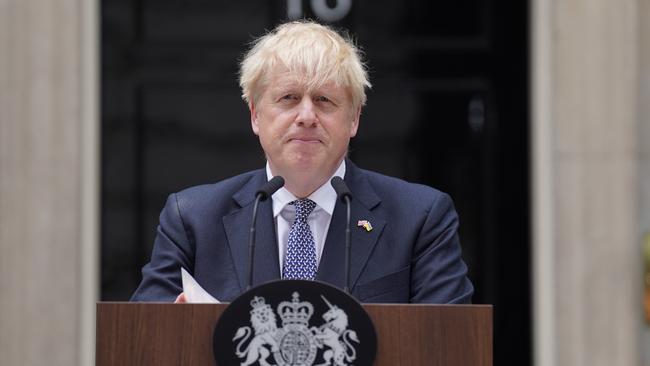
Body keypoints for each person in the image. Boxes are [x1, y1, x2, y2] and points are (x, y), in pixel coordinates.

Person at [131, 20, 473, 304]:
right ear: (255, 115)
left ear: (354, 119)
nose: (306, 116)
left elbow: (448, 344)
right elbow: (140, 341)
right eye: (289, 98)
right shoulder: (191, 219)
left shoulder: (421, 219)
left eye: (324, 100)